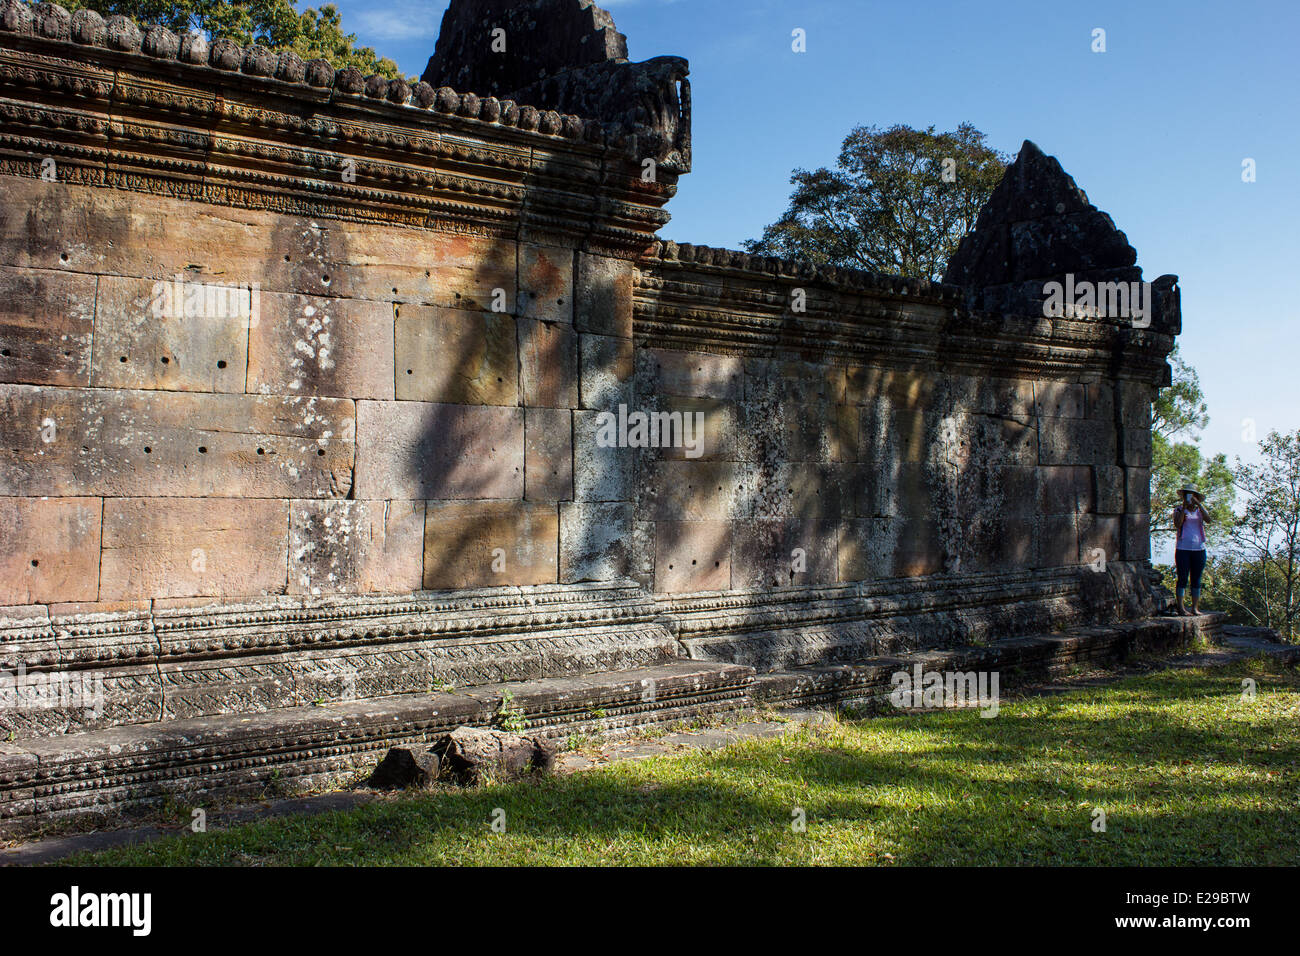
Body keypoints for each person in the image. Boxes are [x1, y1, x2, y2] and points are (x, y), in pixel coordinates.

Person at [1172, 487, 1209, 615]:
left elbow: (1208, 519)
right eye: (1187, 495)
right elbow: (1178, 524)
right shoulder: (1178, 509)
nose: (1190, 498)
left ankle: (1195, 608)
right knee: (1182, 577)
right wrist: (1184, 508)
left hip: (1199, 548)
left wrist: (1198, 504)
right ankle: (1181, 608)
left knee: (1196, 578)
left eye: (1192, 495)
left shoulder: (1200, 510)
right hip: (1183, 548)